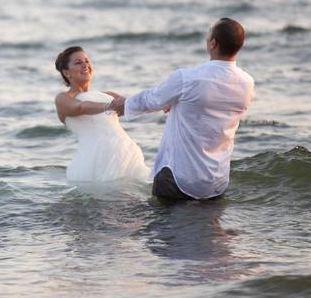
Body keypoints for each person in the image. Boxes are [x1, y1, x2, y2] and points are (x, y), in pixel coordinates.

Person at [108, 18, 255, 201]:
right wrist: (179, 103)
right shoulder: (247, 83)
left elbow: (152, 99)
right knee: (207, 228)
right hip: (215, 180)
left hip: (179, 177)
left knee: (162, 228)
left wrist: (125, 104)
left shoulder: (187, 78)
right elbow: (212, 107)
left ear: (213, 43)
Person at [54, 46, 149, 182]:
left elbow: (135, 105)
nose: (85, 65)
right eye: (78, 63)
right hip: (95, 162)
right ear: (67, 73)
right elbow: (80, 107)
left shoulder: (107, 95)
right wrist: (108, 106)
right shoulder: (63, 98)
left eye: (87, 61)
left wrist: (164, 103)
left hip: (125, 155)